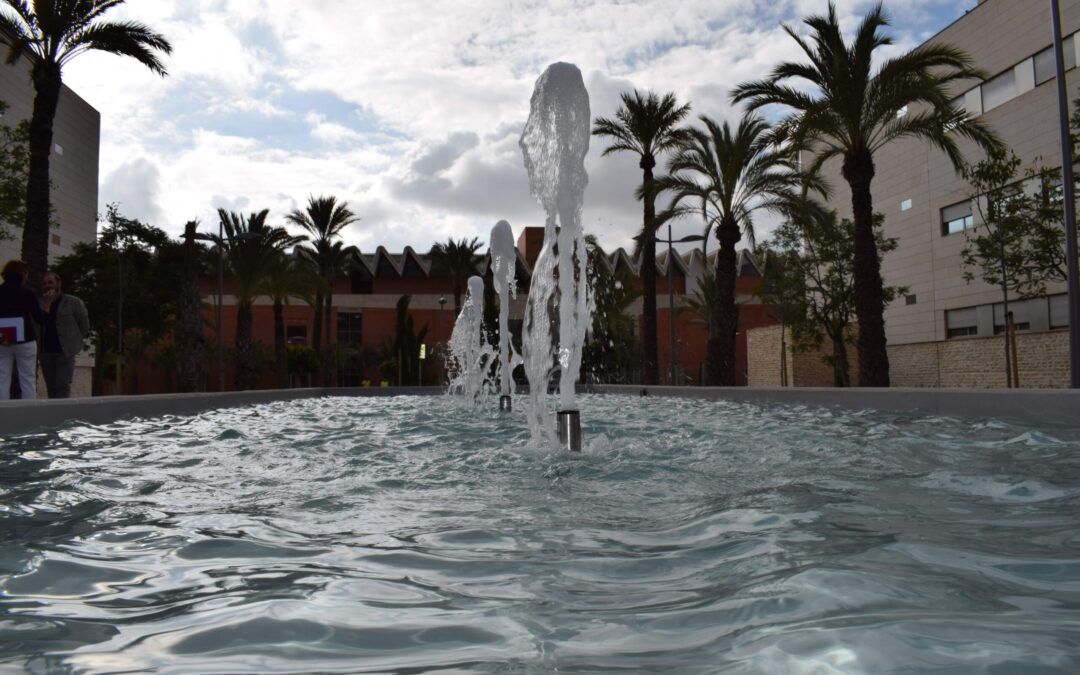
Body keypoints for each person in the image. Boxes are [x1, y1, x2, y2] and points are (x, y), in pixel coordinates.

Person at [39, 270, 90, 399]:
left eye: (50, 282)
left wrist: (74, 341)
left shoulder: (73, 302)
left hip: (65, 351)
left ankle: (62, 411)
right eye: (44, 283)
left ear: (58, 283)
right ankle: (54, 410)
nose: (47, 285)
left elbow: (84, 325)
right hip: (45, 352)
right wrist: (47, 304)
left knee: (62, 384)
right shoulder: (39, 304)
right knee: (51, 386)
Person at [0, 260, 46, 400]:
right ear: (23, 274)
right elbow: (40, 319)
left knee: (2, 378)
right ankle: (29, 410)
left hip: (2, 339)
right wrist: (48, 306)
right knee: (27, 378)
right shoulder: (27, 294)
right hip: (25, 340)